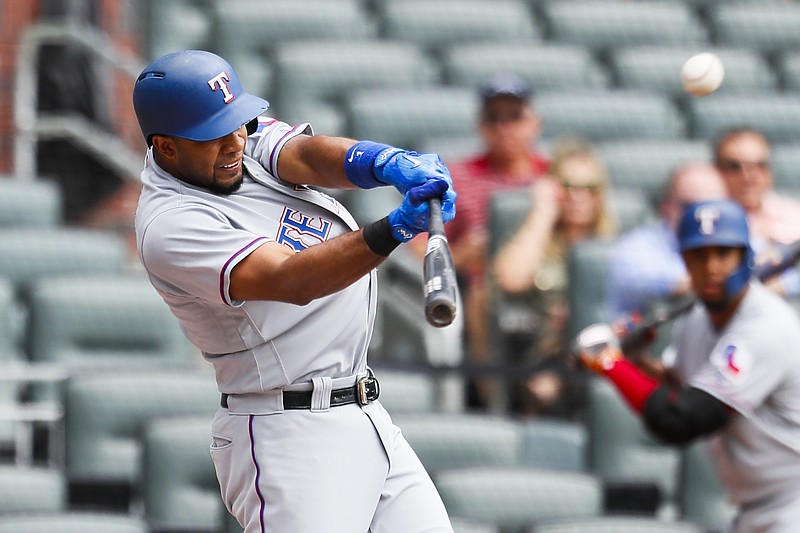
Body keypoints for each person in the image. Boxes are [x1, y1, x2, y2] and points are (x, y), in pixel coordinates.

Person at [132, 50, 457, 533]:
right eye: (214, 136)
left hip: (365, 412)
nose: (234, 142)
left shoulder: (238, 140)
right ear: (167, 146)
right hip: (287, 433)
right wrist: (392, 229)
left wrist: (383, 162)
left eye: (237, 124)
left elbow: (305, 155)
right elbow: (293, 280)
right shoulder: (170, 223)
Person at [577, 199, 800, 533]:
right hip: (755, 509)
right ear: (683, 259)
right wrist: (637, 361)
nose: (711, 267)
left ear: (744, 256)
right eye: (699, 254)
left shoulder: (765, 328)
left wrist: (611, 364)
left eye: (723, 253)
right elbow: (680, 389)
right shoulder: (698, 319)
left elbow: (680, 420)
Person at [413, 73, 549, 408]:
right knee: (482, 295)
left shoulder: (551, 175)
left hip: (546, 286)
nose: (505, 127)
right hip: (479, 291)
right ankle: (494, 401)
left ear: (535, 123)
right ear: (481, 126)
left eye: (515, 117)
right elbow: (416, 248)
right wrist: (461, 254)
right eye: (494, 118)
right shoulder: (458, 176)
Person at [491, 137, 616, 417]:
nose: (579, 196)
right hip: (539, 354)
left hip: (599, 352)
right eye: (568, 187)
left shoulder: (611, 246)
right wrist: (543, 211)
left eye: (590, 188)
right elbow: (510, 279)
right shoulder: (538, 240)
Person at [606, 162, 728, 318]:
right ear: (667, 206)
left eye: (713, 207)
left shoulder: (737, 242)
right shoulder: (636, 246)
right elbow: (640, 279)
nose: (702, 218)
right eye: (690, 207)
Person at [715, 127, 800, 298]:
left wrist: (784, 285)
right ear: (718, 171)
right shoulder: (710, 219)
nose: (748, 176)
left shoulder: (794, 213)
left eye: (759, 166)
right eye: (735, 167)